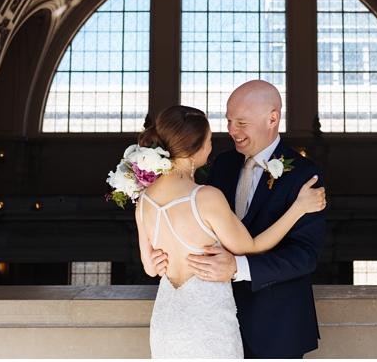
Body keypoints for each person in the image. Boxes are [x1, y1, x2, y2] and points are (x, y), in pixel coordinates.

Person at [135, 104, 326, 359]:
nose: (214, 146)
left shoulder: (144, 199)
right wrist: (298, 208)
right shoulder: (206, 195)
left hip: (169, 323)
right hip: (210, 326)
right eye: (210, 140)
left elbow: (150, 267)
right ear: (195, 148)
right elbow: (250, 247)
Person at [188, 80, 328, 358]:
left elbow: (304, 256)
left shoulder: (304, 174)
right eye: (228, 121)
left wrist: (238, 268)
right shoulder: (223, 164)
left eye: (241, 122)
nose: (231, 130)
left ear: (272, 119)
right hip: (216, 320)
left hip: (277, 327)